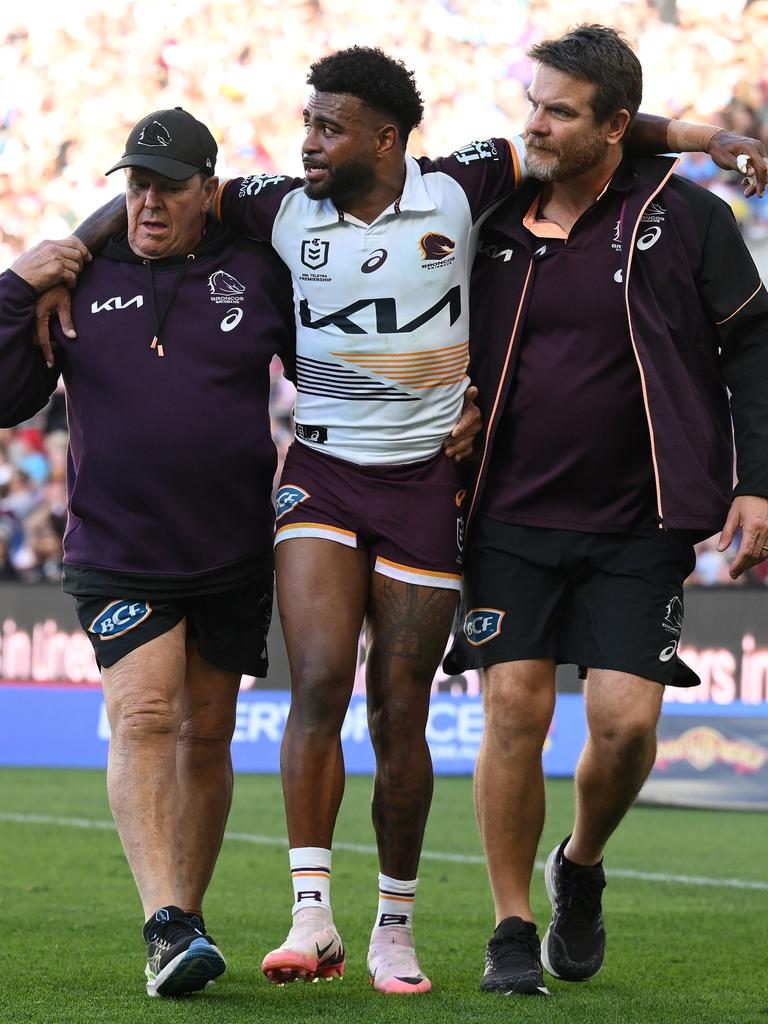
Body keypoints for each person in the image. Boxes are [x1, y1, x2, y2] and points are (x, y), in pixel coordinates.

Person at [35, 46, 768, 997]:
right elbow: (166, 193)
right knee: (321, 682)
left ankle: (395, 925)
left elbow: (600, 134)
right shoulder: (277, 203)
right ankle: (312, 914)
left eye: (326, 127)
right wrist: (65, 256)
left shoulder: (465, 186)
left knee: (402, 711)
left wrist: (717, 140)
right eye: (306, 123)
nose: (306, 143)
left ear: (384, 137)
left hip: (428, 484)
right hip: (323, 477)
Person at [444, 25, 768, 997]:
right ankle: (510, 926)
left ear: (616, 126)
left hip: (643, 517)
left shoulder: (690, 218)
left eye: (560, 110)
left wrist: (758, 482)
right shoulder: (489, 205)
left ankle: (579, 863)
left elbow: (754, 351)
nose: (535, 125)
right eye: (533, 102)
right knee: (514, 709)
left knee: (625, 726)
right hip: (506, 514)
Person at [0, 107, 296, 997]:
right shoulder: (78, 279)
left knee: (209, 733)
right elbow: (7, 399)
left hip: (233, 547)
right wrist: (17, 288)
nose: (149, 201)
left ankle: (185, 922)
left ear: (210, 190)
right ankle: (162, 918)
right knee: (144, 718)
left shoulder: (256, 268)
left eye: (169, 185)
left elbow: (330, 370)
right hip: (118, 547)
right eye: (136, 185)